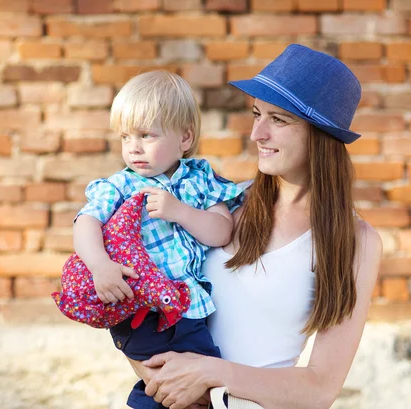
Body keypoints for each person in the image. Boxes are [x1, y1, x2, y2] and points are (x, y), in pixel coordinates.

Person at [127, 44, 383, 409]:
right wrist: (159, 378)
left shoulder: (356, 242)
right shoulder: (220, 203)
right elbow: (135, 293)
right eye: (256, 114)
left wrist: (211, 375)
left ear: (321, 136)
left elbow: (320, 388)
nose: (256, 134)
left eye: (277, 120)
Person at [73, 70, 245, 409]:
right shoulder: (121, 186)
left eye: (146, 135)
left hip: (189, 310)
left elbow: (221, 230)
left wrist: (180, 211)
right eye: (125, 137)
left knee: (200, 385)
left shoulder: (200, 180)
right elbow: (86, 221)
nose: (133, 148)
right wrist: (100, 265)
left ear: (184, 138)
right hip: (144, 310)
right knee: (178, 384)